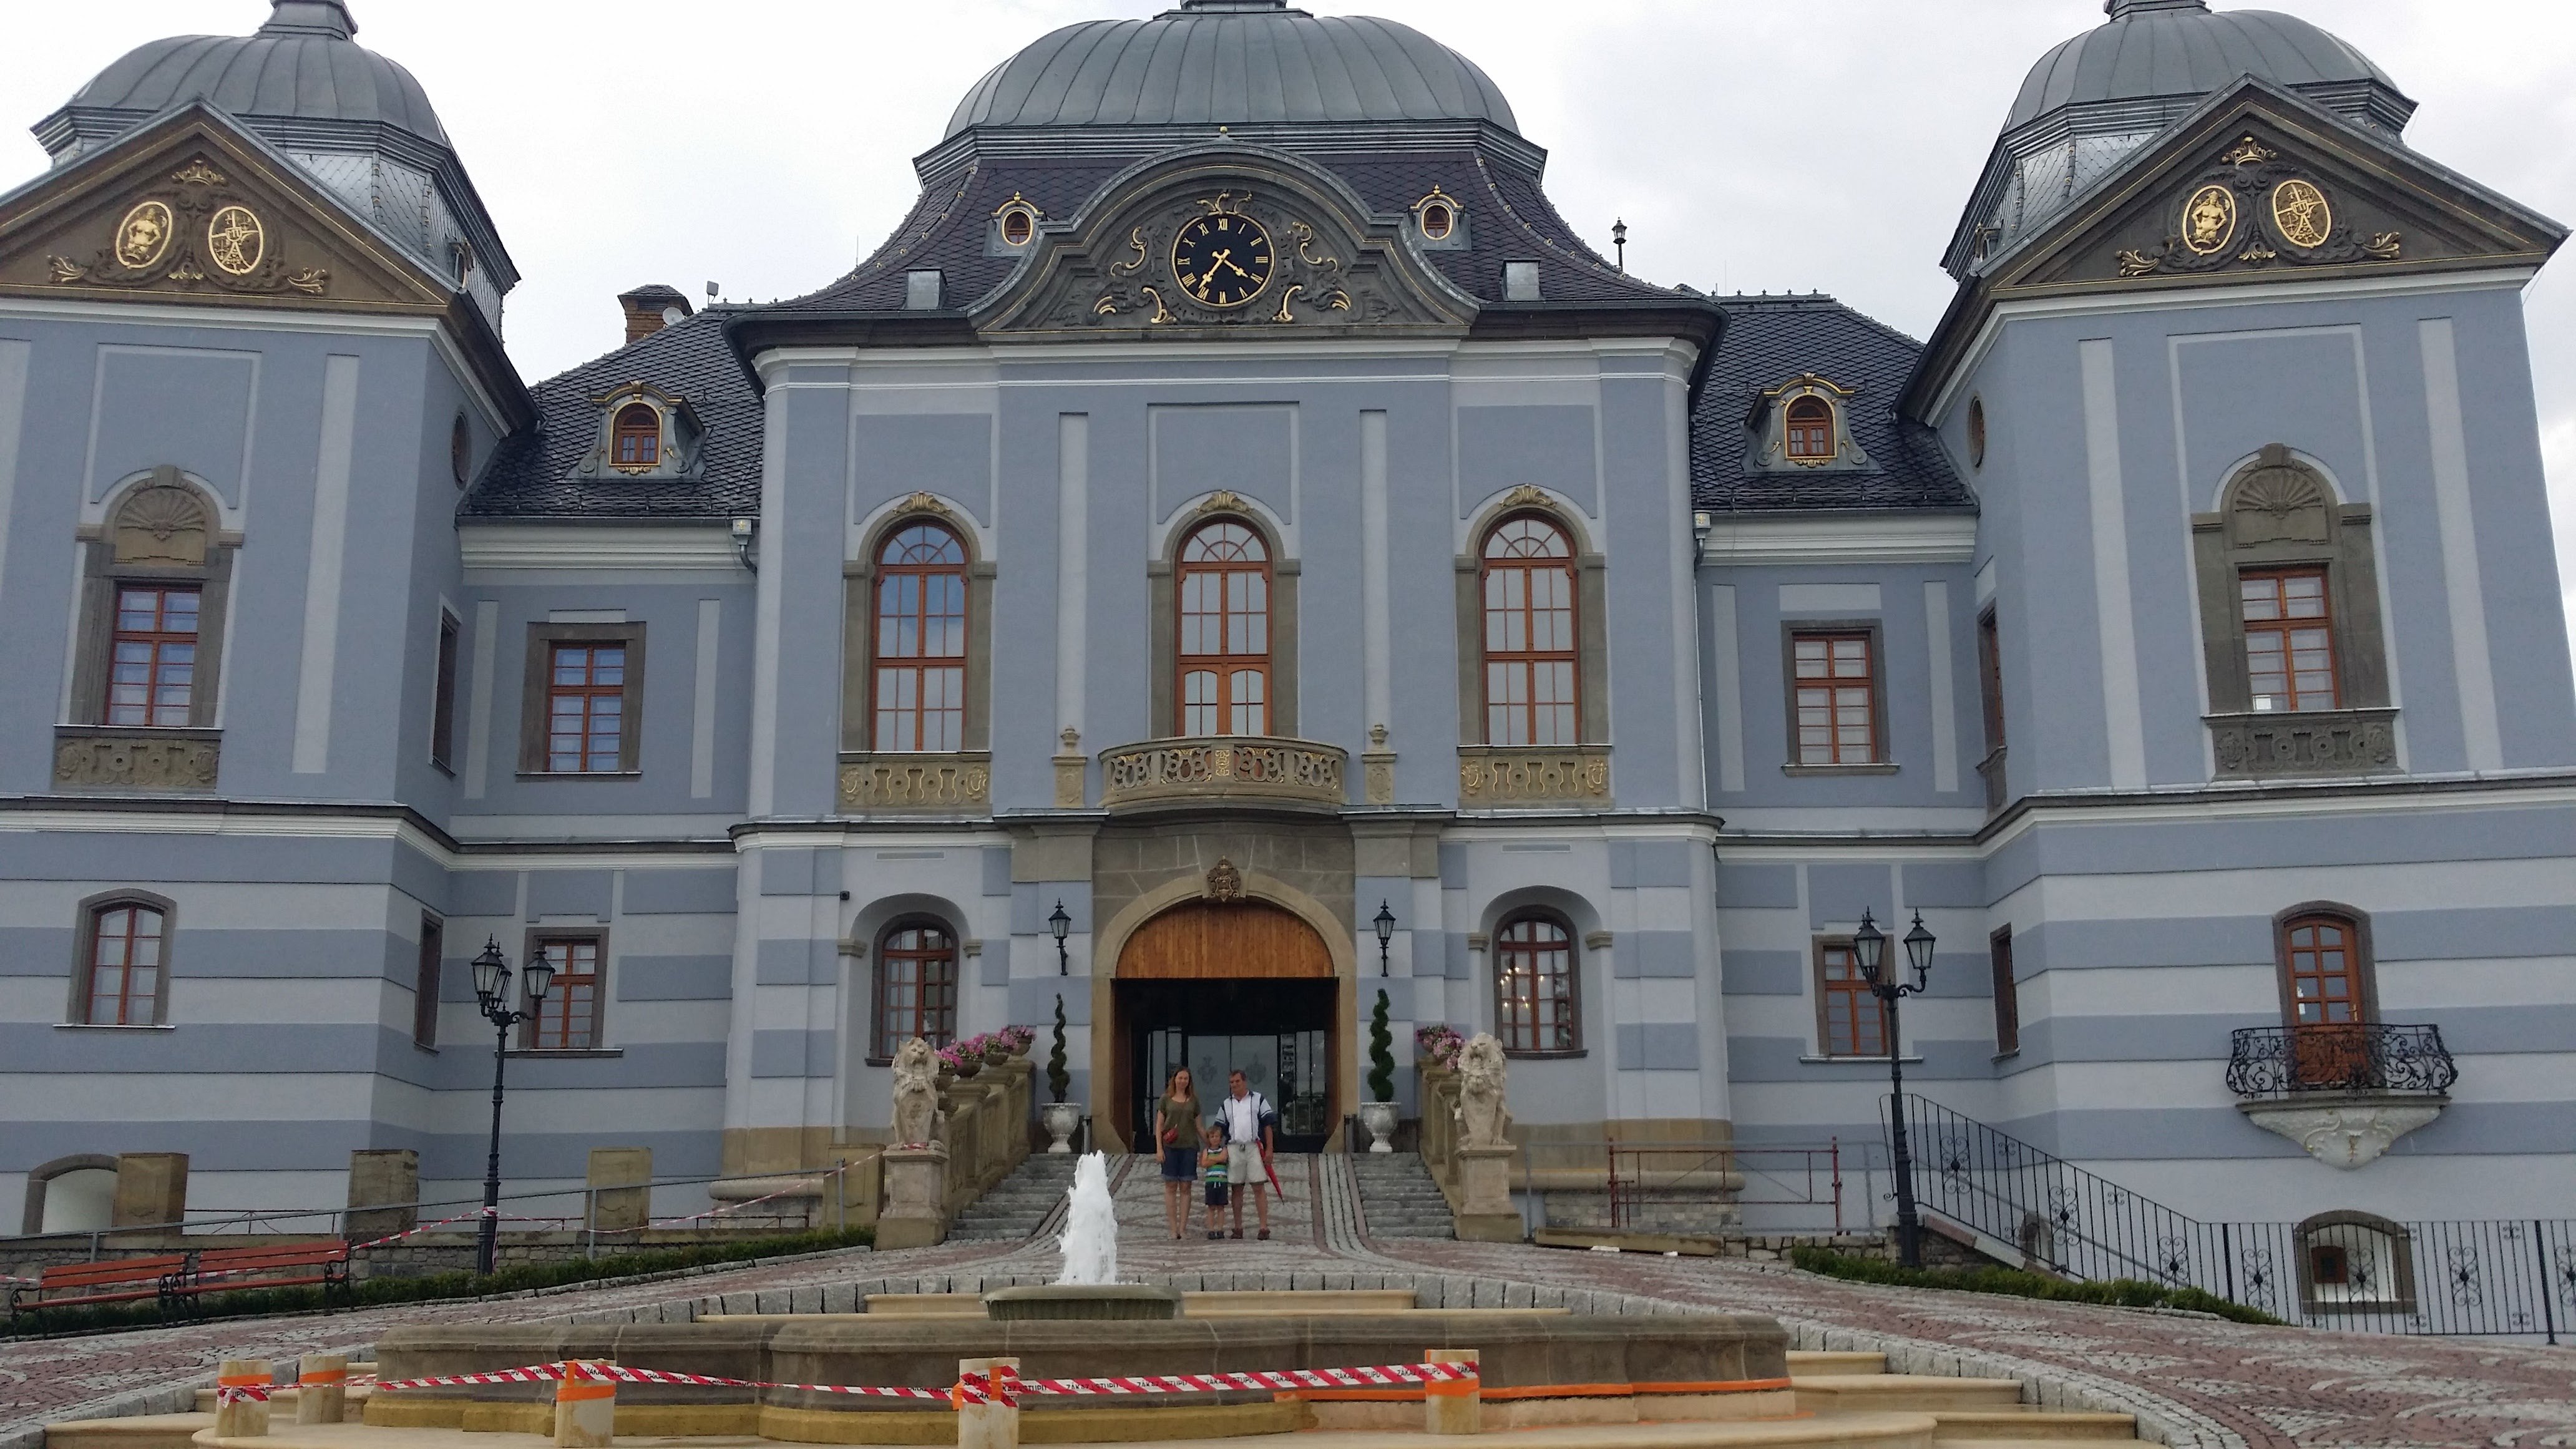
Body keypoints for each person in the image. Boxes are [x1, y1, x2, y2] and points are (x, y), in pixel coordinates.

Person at [1214, 1068, 1273, 1240]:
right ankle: (1238, 1227)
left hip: (1253, 1146)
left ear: (1244, 1082)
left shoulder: (1258, 1099)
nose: (1234, 1085)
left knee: (1258, 1187)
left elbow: (1268, 1125)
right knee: (1236, 1188)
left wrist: (1269, 1149)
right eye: (1231, 1083)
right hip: (1234, 1147)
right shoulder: (1226, 1104)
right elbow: (1220, 1128)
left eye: (1237, 1082)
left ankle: (1263, 1227)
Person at [1154, 1066, 1200, 1239]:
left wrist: (1210, 1142)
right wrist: (1159, 1148)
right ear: (1174, 1080)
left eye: (1186, 1079)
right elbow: (1159, 1125)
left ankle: (1183, 1228)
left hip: (1189, 1147)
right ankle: (1173, 1229)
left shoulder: (1194, 1101)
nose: (1183, 1081)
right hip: (1170, 1147)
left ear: (1189, 1081)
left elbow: (1199, 1126)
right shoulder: (1166, 1099)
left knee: (1187, 1186)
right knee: (1171, 1186)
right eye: (1180, 1078)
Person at [1198, 1122, 1230, 1239]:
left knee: (1221, 1206)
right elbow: (1204, 1163)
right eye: (1212, 1137)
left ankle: (1220, 1229)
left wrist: (1212, 1160)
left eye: (1217, 1136)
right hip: (1211, 1182)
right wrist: (1217, 1160)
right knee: (1211, 1206)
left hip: (1222, 1182)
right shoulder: (1206, 1151)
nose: (1215, 1139)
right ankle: (1211, 1229)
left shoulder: (1224, 1150)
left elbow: (1224, 1158)